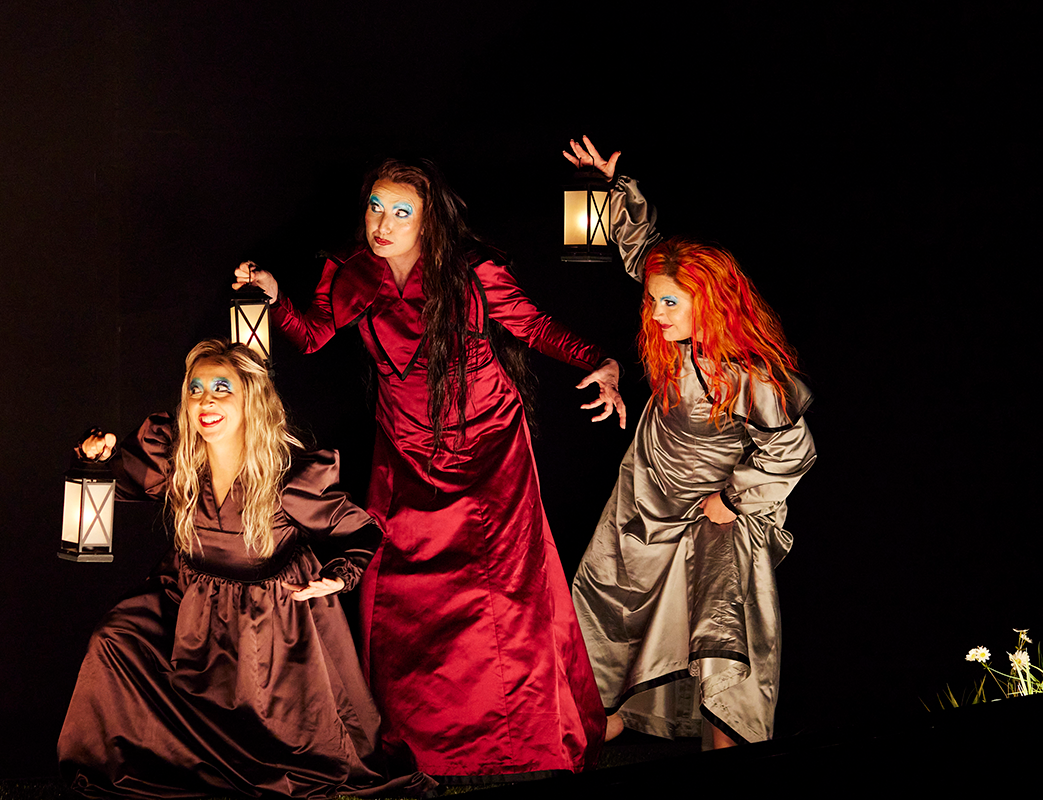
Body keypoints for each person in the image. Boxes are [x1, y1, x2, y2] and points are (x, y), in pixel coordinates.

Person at [233, 158, 618, 780]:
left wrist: (596, 359)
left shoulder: (472, 272)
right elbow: (310, 336)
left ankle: (521, 742)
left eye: (400, 212)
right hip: (406, 450)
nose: (383, 224)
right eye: (375, 208)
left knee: (504, 593)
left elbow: (533, 324)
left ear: (428, 220)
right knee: (407, 595)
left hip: (491, 441)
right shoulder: (353, 275)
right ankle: (424, 744)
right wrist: (276, 299)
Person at [57, 340, 434, 799]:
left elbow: (360, 532)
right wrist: (101, 457)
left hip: (268, 623)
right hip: (189, 605)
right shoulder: (179, 463)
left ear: (250, 400)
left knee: (264, 738)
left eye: (221, 388)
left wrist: (339, 576)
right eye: (195, 390)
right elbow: (122, 479)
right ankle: (152, 758)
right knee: (114, 640)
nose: (206, 400)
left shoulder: (288, 478)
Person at [565, 137, 816, 748]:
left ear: (712, 303)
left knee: (715, 639)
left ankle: (721, 740)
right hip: (649, 493)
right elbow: (643, 253)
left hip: (714, 515)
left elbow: (793, 448)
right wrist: (612, 188)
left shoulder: (743, 370)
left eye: (670, 304)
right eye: (653, 302)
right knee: (623, 610)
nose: (654, 314)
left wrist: (733, 501)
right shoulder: (673, 330)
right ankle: (611, 715)